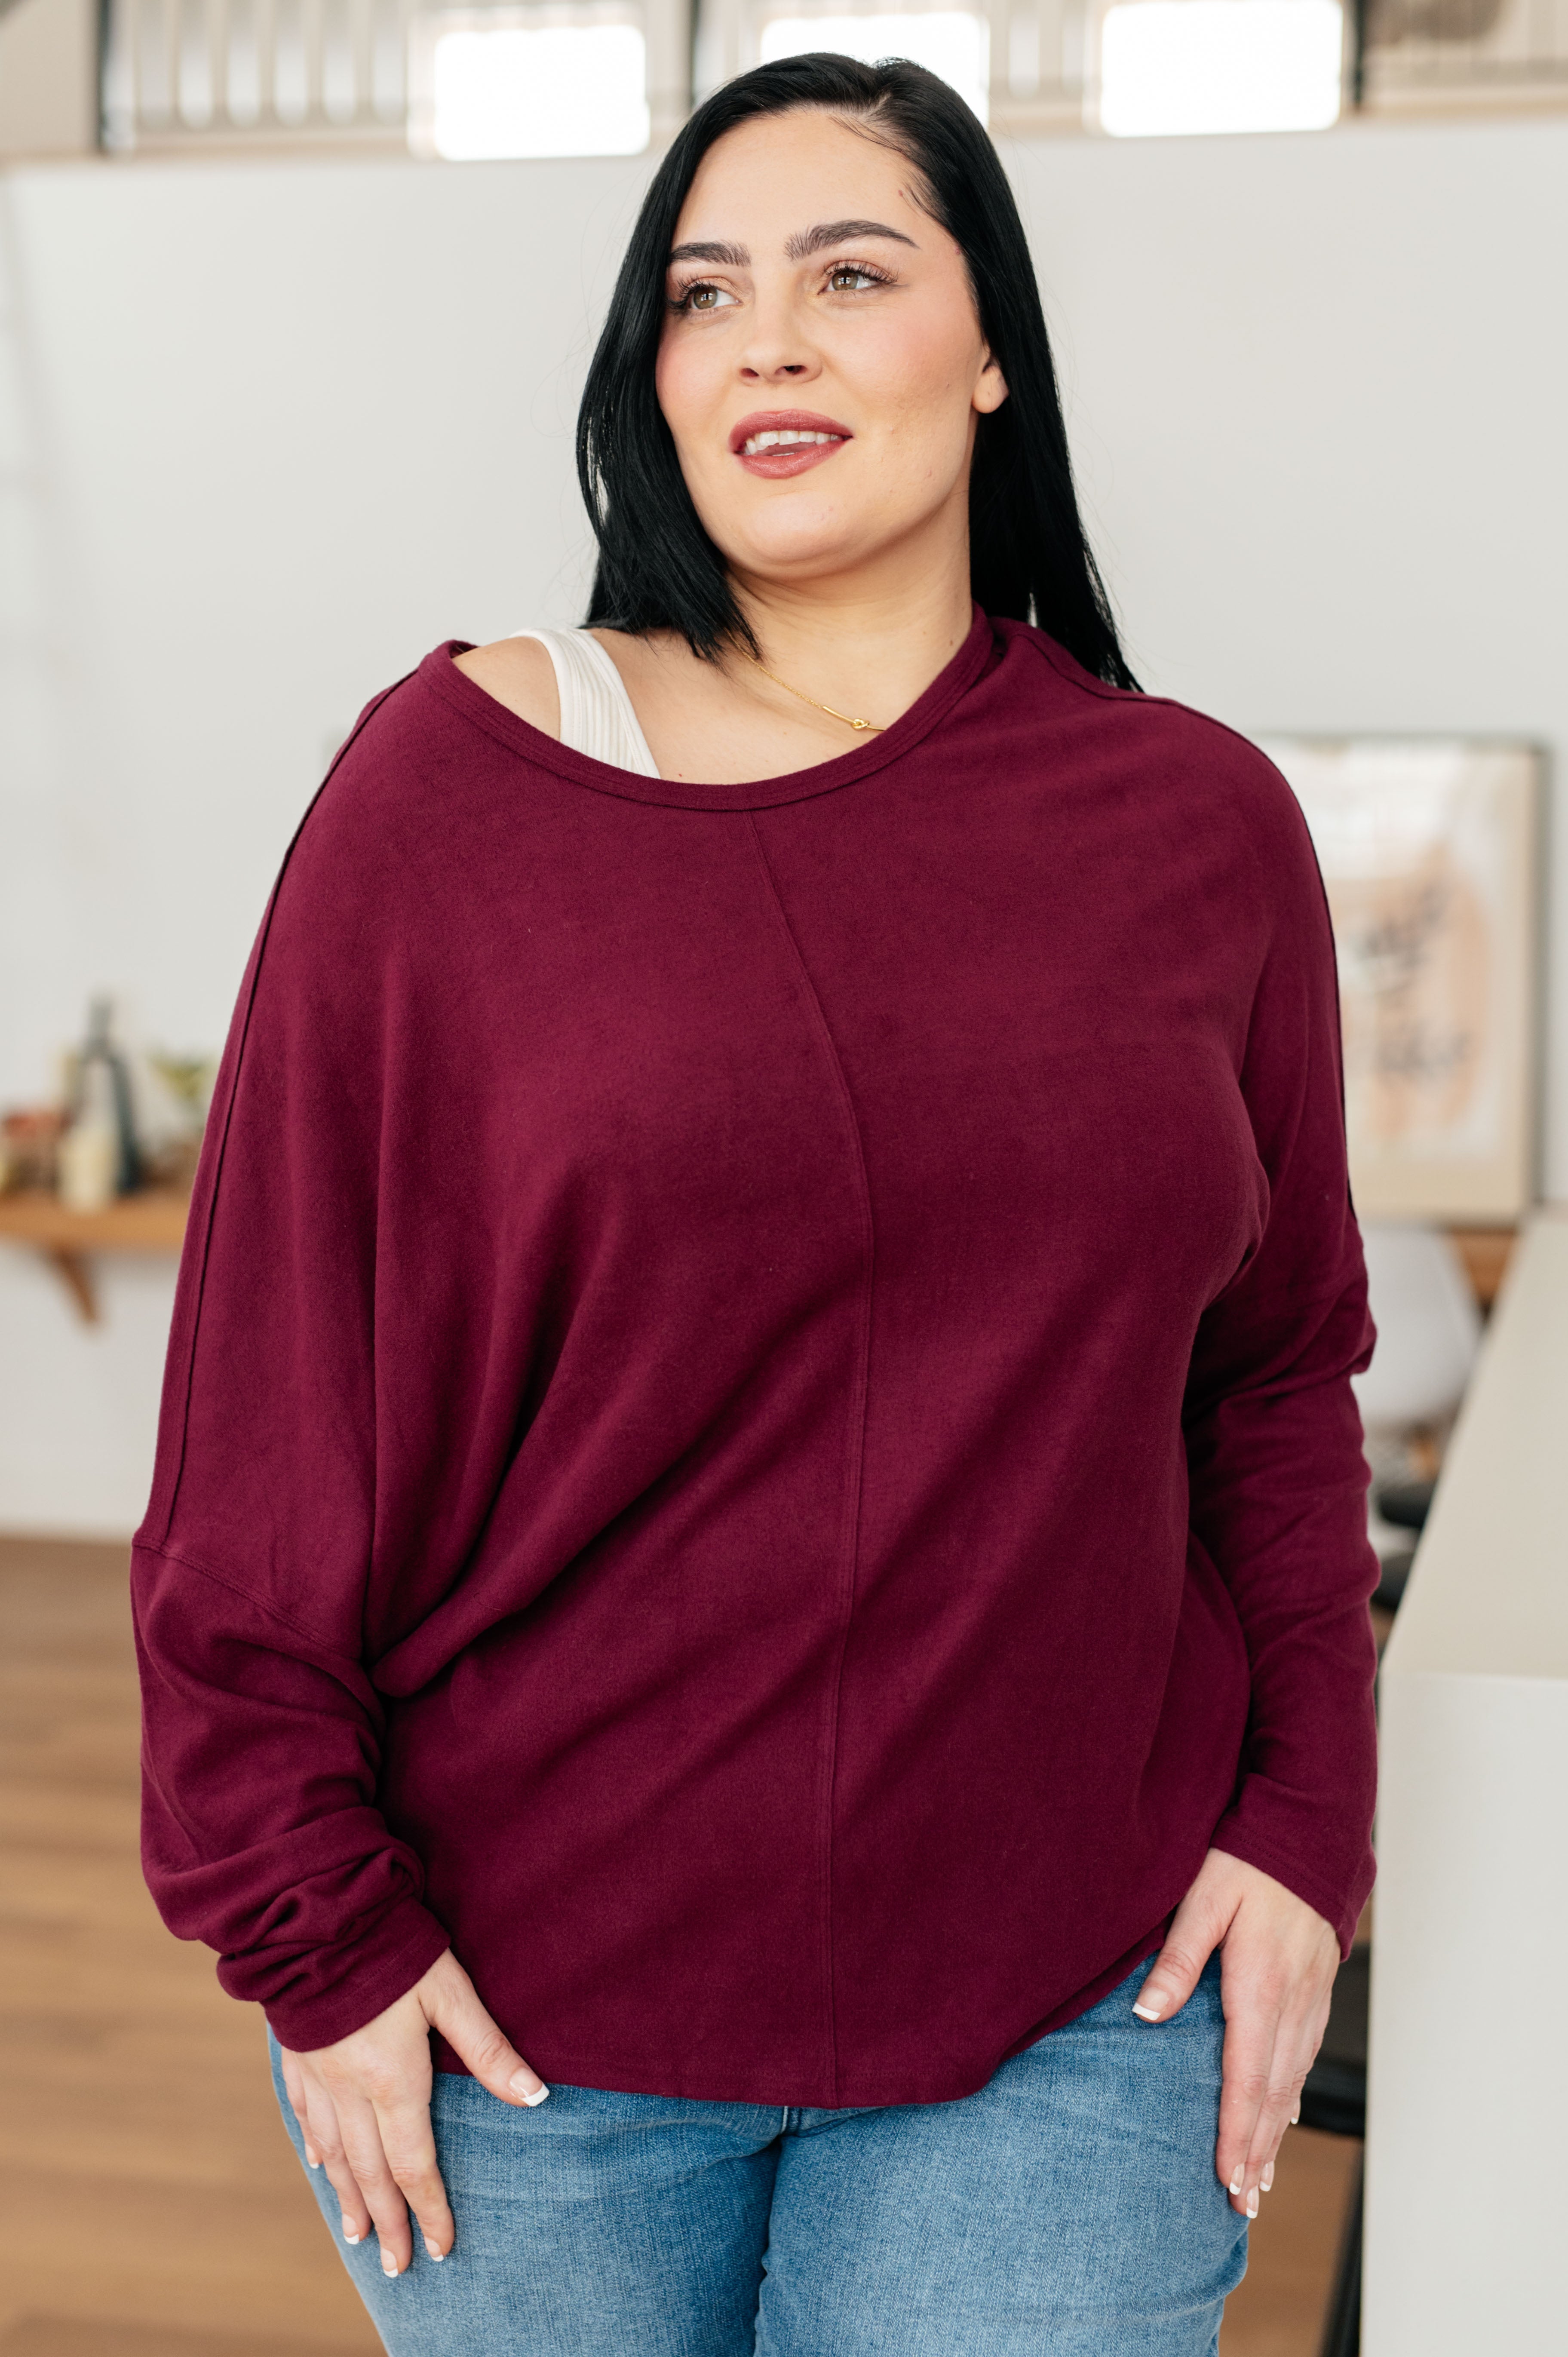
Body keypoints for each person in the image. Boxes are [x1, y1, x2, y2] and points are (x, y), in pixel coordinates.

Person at [132, 53, 1378, 2357]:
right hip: (530, 2027)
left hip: (1076, 2000)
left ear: (990, 347)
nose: (769, 338)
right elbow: (268, 1423)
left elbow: (1279, 1370)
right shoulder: (455, 792)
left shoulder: (1196, 830)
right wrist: (315, 1935)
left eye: (851, 271)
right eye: (705, 294)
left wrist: (1310, 1822)